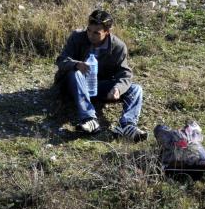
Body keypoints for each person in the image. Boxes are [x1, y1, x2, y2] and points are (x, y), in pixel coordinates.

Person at [54, 9, 147, 142]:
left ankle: (127, 125)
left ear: (107, 32)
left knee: (136, 89)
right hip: (73, 86)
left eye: (96, 33)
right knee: (75, 74)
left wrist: (118, 88)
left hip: (99, 87)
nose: (91, 35)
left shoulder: (118, 47)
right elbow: (61, 60)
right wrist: (76, 64)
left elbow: (125, 73)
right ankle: (89, 118)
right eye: (89, 30)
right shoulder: (77, 37)